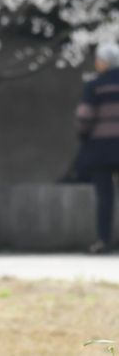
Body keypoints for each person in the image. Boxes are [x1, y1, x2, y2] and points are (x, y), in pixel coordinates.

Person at [75, 42, 119, 254]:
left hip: (101, 149)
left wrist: (84, 135)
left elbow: (84, 116)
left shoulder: (95, 85)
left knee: (104, 196)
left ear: (104, 62)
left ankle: (103, 240)